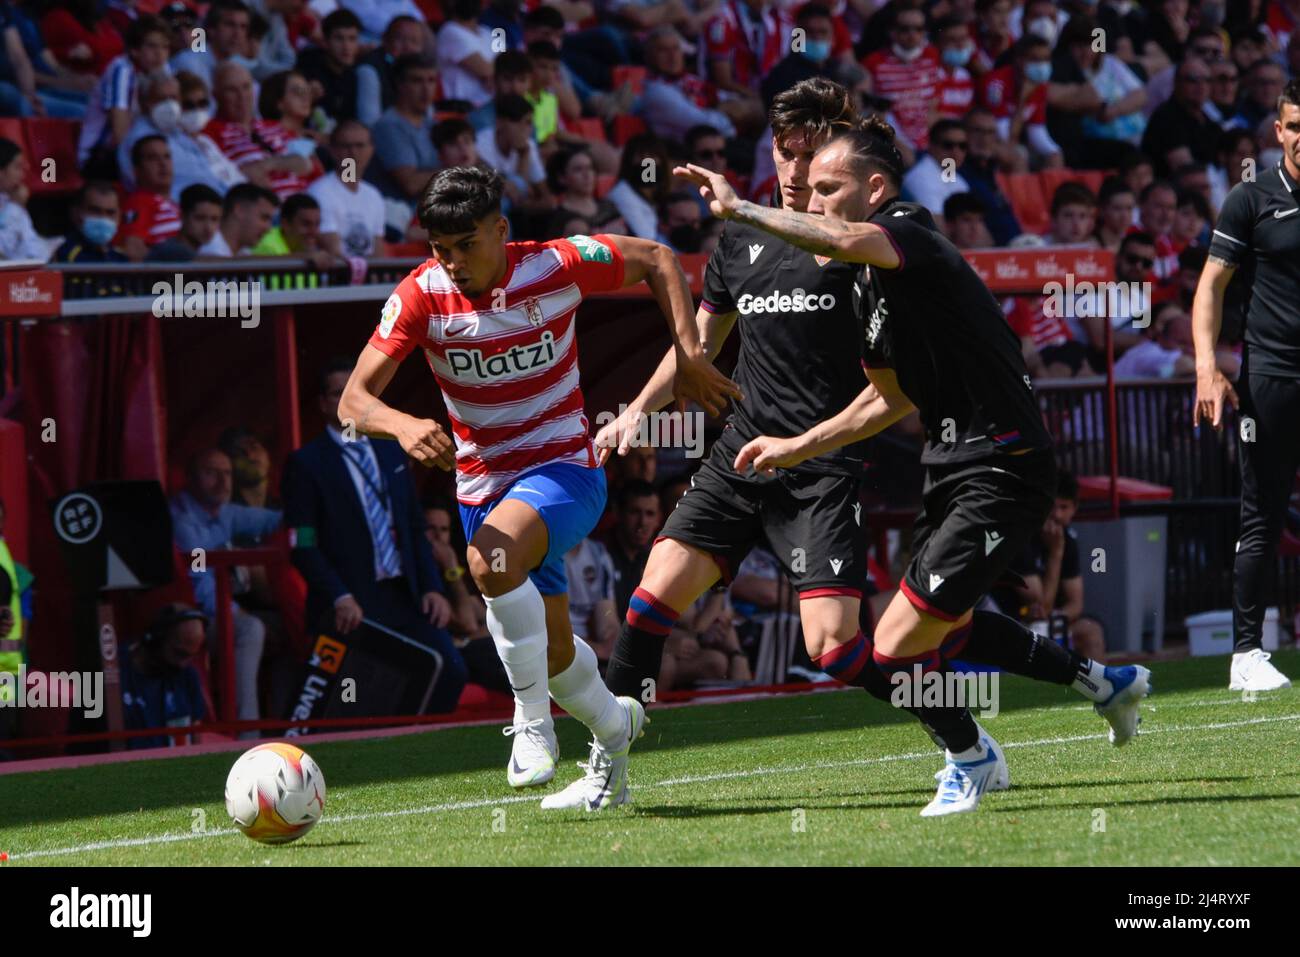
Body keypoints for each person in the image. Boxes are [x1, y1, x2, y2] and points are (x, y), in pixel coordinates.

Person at [674, 114, 1151, 816]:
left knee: (895, 643)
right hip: (950, 466)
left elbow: (843, 236)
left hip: (1005, 462)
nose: (811, 200)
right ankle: (1102, 683)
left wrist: (742, 208)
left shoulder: (908, 231)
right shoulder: (867, 284)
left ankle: (971, 758)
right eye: (806, 190)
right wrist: (795, 446)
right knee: (947, 628)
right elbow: (886, 399)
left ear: (873, 189)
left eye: (828, 188)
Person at [336, 164, 738, 808]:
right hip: (482, 491)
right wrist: (401, 424)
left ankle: (531, 724)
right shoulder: (421, 295)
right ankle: (617, 724)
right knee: (550, 651)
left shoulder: (556, 264)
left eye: (467, 244)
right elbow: (353, 402)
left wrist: (690, 352)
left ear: (501, 229)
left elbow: (660, 259)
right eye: (441, 249)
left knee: (488, 560)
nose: (454, 262)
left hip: (564, 472)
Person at [1191, 78, 1300, 693]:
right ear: (1280, 132)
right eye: (1295, 125)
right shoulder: (1251, 198)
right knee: (1261, 512)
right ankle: (1247, 655)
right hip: (1272, 380)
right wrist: (1208, 367)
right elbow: (1211, 286)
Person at [282, 360, 468, 713]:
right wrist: (339, 595)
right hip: (350, 602)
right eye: (339, 393)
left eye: (357, 392)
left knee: (451, 668)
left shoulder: (390, 449)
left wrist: (433, 587)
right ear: (323, 403)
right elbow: (303, 544)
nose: (350, 400)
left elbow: (415, 525)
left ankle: (423, 755)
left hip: (404, 594)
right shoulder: (307, 463)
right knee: (351, 696)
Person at [171, 448, 281, 729]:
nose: (222, 482)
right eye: (211, 473)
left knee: (295, 626)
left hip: (217, 611)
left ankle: (298, 723)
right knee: (249, 628)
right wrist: (238, 611)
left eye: (228, 473)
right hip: (187, 620)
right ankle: (245, 732)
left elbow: (275, 520)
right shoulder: (182, 519)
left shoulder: (225, 511)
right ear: (191, 478)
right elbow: (201, 590)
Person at [991, 470, 1107, 662]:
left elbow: (1075, 603)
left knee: (1091, 632)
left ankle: (1100, 688)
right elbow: (1039, 603)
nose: (1057, 515)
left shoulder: (1068, 539)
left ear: (1074, 508)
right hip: (1013, 622)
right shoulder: (1021, 535)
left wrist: (1057, 617)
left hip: (1048, 623)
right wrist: (1056, 553)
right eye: (1052, 506)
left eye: (1064, 507)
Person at [76, 14, 171, 176]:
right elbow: (120, 134)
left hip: (134, 152)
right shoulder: (121, 70)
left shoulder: (163, 70)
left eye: (164, 47)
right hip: (99, 156)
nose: (160, 54)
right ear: (134, 50)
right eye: (152, 46)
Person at [120, 604, 209, 750]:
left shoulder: (188, 676)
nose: (183, 664)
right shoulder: (110, 674)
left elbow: (195, 740)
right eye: (179, 653)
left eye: (190, 656)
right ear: (155, 639)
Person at [307, 120, 386, 258]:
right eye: (345, 146)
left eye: (360, 146)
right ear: (332, 150)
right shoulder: (320, 192)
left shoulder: (374, 195)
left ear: (371, 150)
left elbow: (378, 252)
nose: (353, 152)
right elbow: (333, 251)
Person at [118, 135, 181, 260]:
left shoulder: (176, 204)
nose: (163, 164)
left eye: (167, 157)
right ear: (137, 171)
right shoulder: (140, 201)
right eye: (152, 158)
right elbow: (132, 249)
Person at [0, 137, 52, 262]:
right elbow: (3, 248)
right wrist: (15, 207)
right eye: (17, 167)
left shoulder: (11, 198)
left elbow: (32, 248)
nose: (22, 175)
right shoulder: (15, 203)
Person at [200, 182, 279, 257]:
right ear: (239, 210)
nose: (268, 228)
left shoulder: (243, 252)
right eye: (264, 218)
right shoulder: (209, 251)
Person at [148, 184, 224, 262]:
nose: (208, 227)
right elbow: (186, 268)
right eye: (200, 218)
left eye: (214, 219)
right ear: (183, 216)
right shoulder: (172, 251)